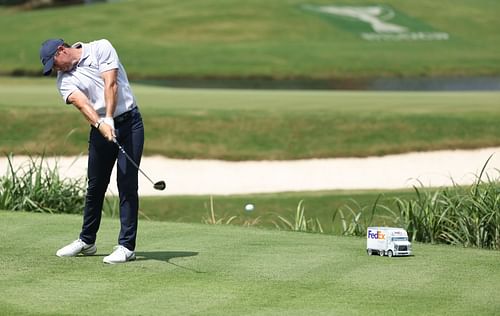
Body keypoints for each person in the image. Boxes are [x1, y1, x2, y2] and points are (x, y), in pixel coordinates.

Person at [39, 38, 144, 264]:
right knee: (95, 185)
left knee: (126, 183)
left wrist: (109, 119)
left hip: (130, 123)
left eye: (54, 64)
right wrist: (100, 125)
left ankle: (127, 246)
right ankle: (87, 241)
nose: (55, 70)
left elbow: (111, 83)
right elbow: (82, 104)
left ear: (61, 50)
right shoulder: (63, 80)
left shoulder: (100, 48)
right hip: (99, 129)